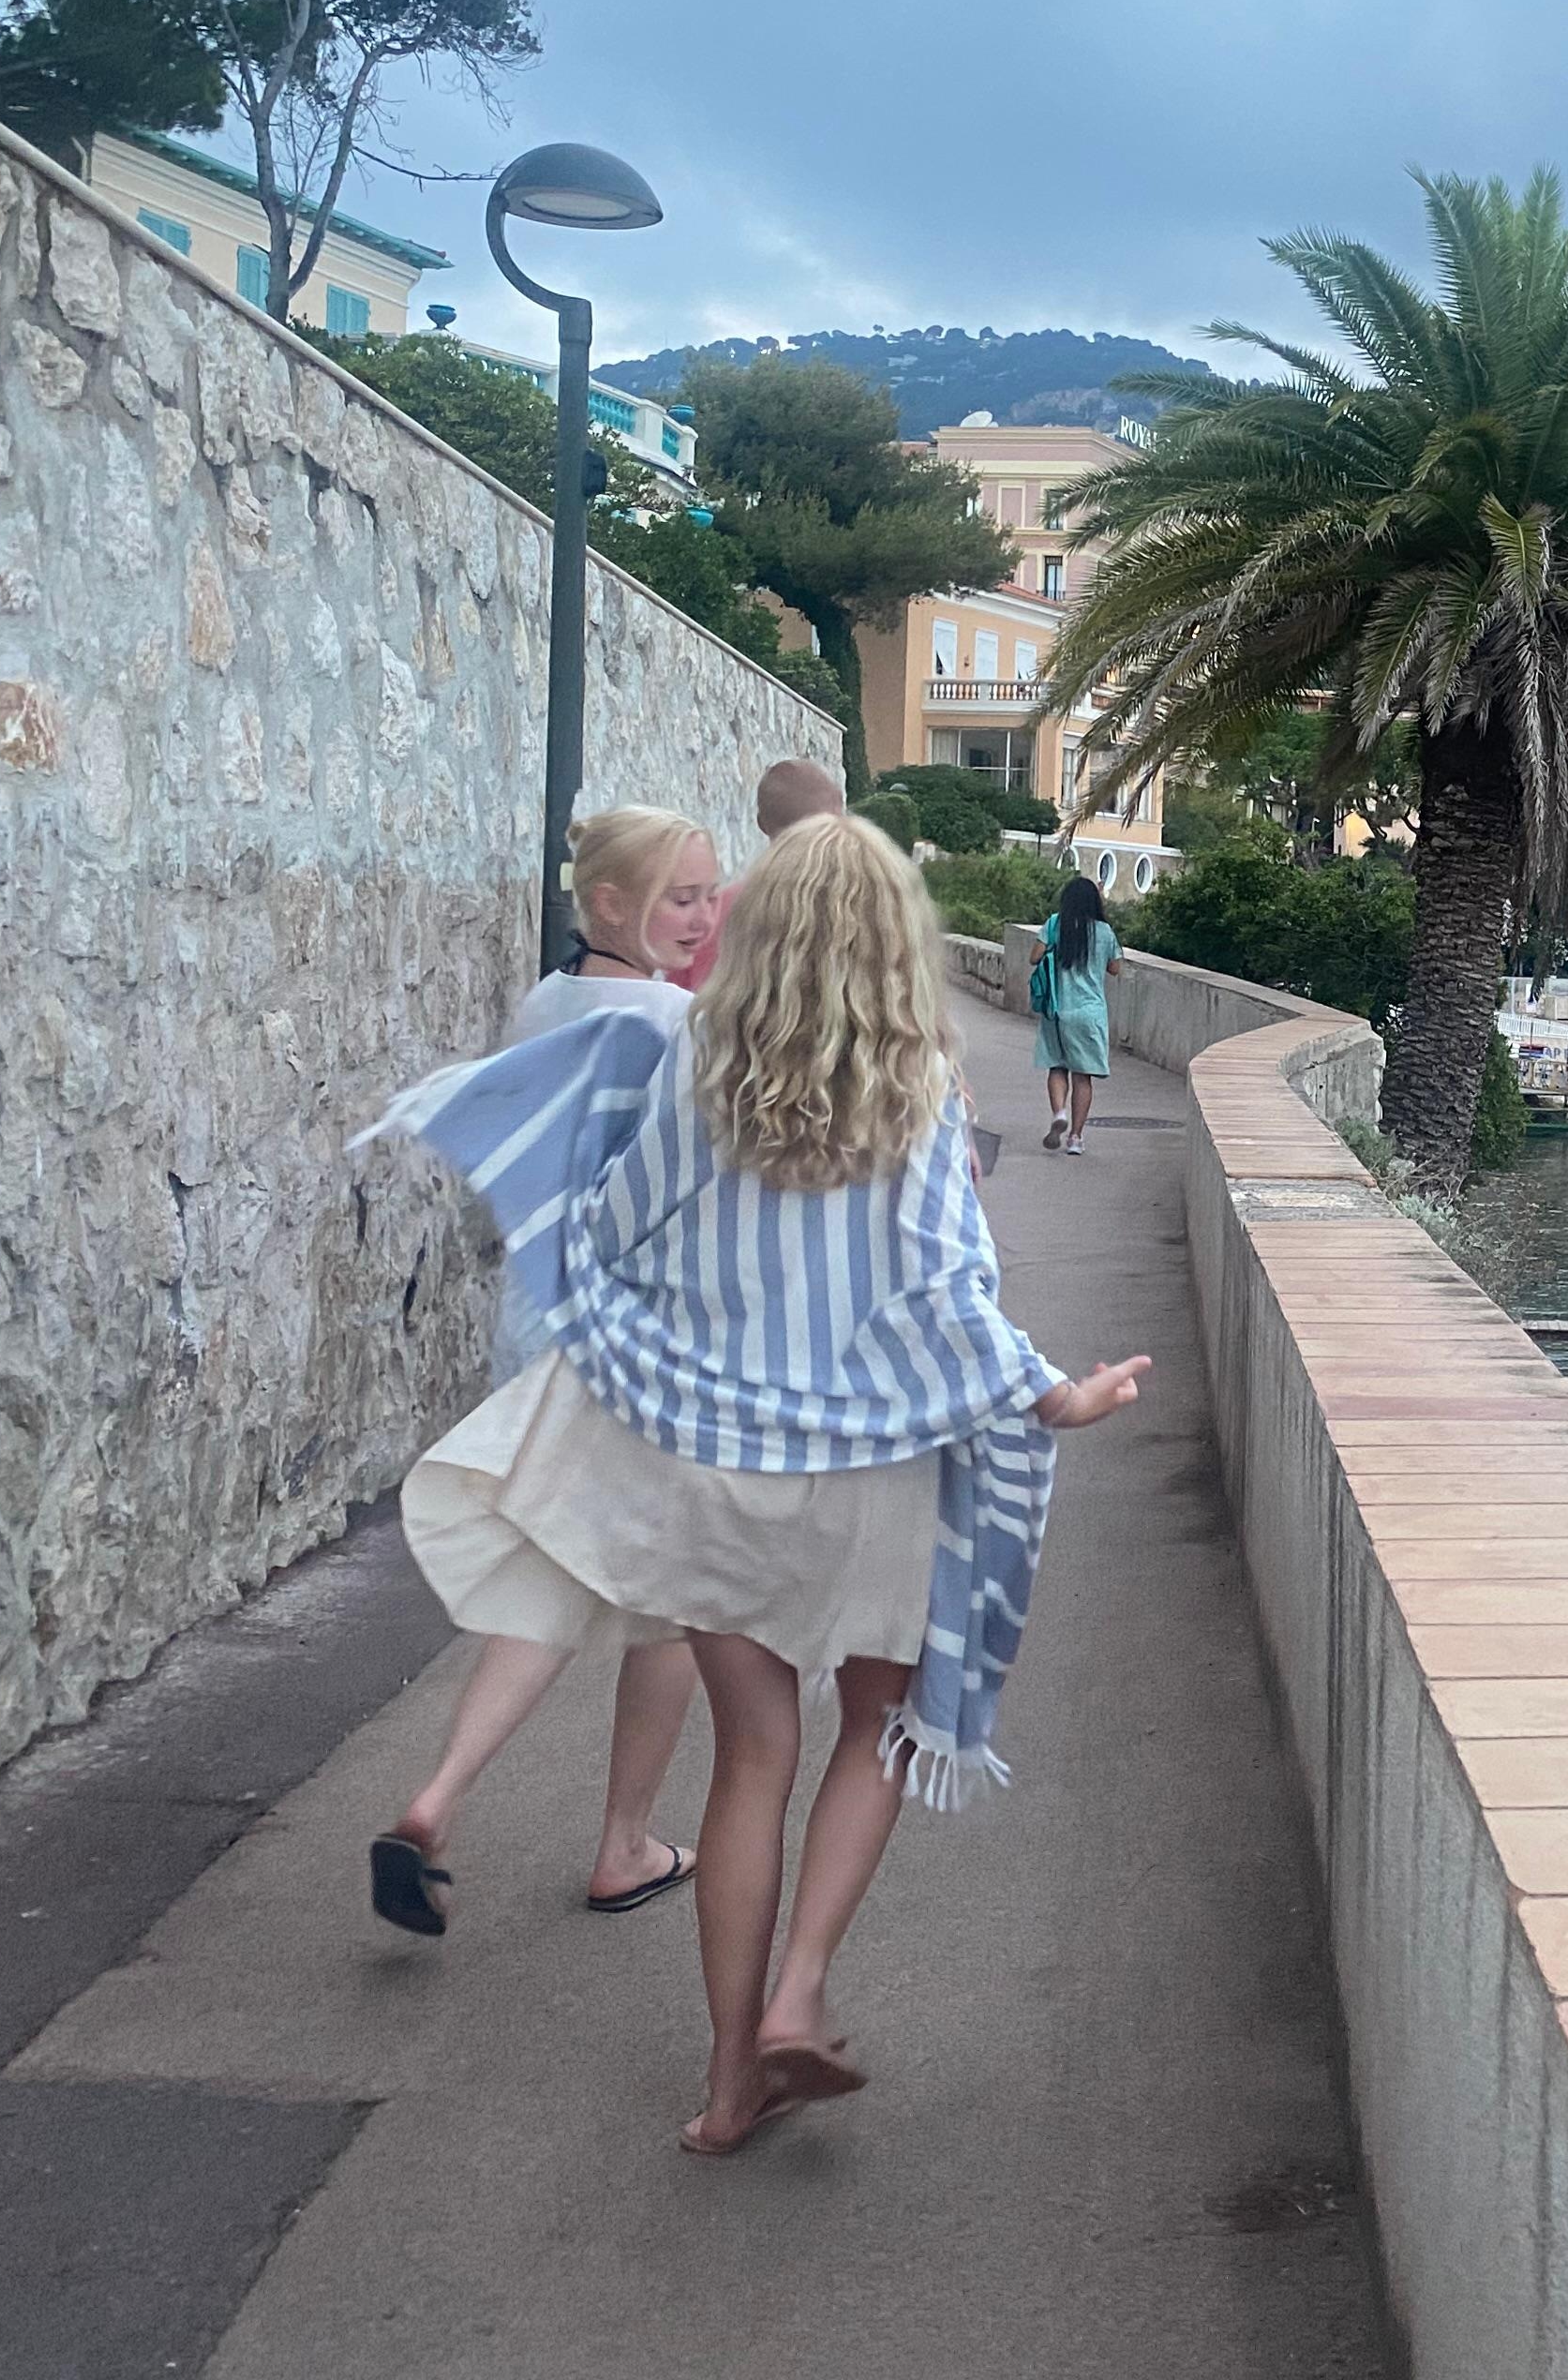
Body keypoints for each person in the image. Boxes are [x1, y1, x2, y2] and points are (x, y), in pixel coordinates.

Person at [366, 816, 1147, 2155]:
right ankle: (800, 1991)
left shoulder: (695, 1078)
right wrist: (1054, 1395)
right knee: (874, 1733)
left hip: (721, 1473)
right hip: (879, 1473)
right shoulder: (921, 1095)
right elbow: (954, 1296)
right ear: (897, 944)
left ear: (761, 931)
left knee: (751, 1758)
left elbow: (611, 1238)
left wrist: (662, 1362)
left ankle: (730, 2087)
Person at [374, 808, 722, 1928]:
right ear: (612, 904)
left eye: (710, 894)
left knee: (545, 1583)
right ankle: (624, 1843)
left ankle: (436, 1798)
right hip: (640, 1348)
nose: (704, 915)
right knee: (669, 1607)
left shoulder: (546, 1000)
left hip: (535, 1334)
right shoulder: (676, 1021)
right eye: (680, 895)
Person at [670, 756, 844, 993]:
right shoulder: (863, 907)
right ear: (839, 813)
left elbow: (679, 1005)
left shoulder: (712, 914)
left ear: (761, 823)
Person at [1032, 874, 1120, 1152]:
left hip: (1057, 1010)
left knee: (1057, 1066)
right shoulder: (1104, 932)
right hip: (1090, 1012)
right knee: (1084, 1076)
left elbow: (1034, 957)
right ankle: (1076, 1138)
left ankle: (1059, 1113)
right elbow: (1115, 968)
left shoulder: (1055, 924)